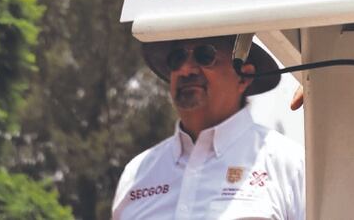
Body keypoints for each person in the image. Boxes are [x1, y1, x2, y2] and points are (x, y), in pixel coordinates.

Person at [112, 35, 305, 219]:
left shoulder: (289, 165)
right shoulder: (136, 174)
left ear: (244, 77)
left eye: (205, 55)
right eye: (176, 58)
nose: (185, 70)